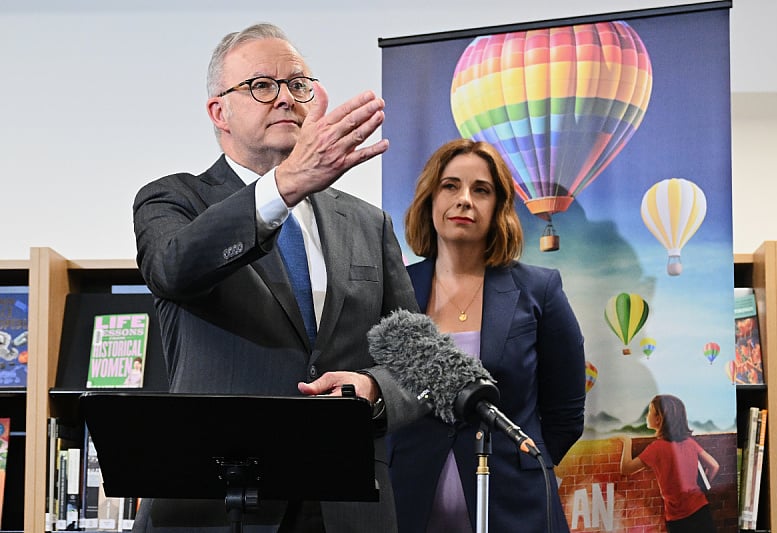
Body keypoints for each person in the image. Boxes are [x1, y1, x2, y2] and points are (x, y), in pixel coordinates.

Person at [132, 22, 420, 533]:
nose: (286, 98)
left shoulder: (368, 223)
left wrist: (374, 389)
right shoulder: (173, 200)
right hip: (217, 504)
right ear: (219, 111)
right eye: (262, 85)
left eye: (298, 84)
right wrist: (282, 186)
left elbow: (417, 362)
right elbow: (173, 269)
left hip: (346, 504)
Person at [387, 138, 586, 532]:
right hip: (407, 507)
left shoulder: (540, 290)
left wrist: (520, 464)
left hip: (517, 512)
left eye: (481, 190)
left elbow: (565, 416)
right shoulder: (393, 290)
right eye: (450, 186)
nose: (464, 200)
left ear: (499, 208)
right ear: (430, 198)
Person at [618, 394, 720, 533]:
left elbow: (626, 468)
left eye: (649, 411)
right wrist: (701, 487)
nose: (646, 415)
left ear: (659, 419)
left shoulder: (656, 448)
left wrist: (627, 442)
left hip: (677, 517)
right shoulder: (689, 442)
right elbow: (714, 466)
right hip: (700, 508)